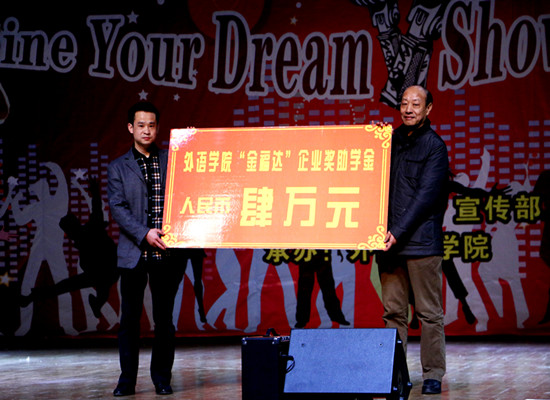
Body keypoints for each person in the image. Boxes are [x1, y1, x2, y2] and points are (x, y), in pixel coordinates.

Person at [108, 101, 185, 396]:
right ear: (131, 128)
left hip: (166, 252)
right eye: (141, 125)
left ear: (157, 128)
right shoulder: (118, 166)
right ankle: (126, 381)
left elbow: (191, 183)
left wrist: (192, 143)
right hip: (134, 253)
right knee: (129, 320)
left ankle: (161, 379)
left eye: (151, 125)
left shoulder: (171, 160)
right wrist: (144, 233)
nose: (146, 130)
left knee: (164, 320)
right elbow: (118, 207)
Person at [377, 85, 448, 395]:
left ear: (428, 109)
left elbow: (425, 198)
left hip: (421, 243)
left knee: (429, 313)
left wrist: (397, 231)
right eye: (404, 103)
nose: (408, 109)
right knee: (393, 312)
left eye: (416, 104)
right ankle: (395, 373)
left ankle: (433, 373)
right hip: (388, 243)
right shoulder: (387, 141)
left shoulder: (435, 147)